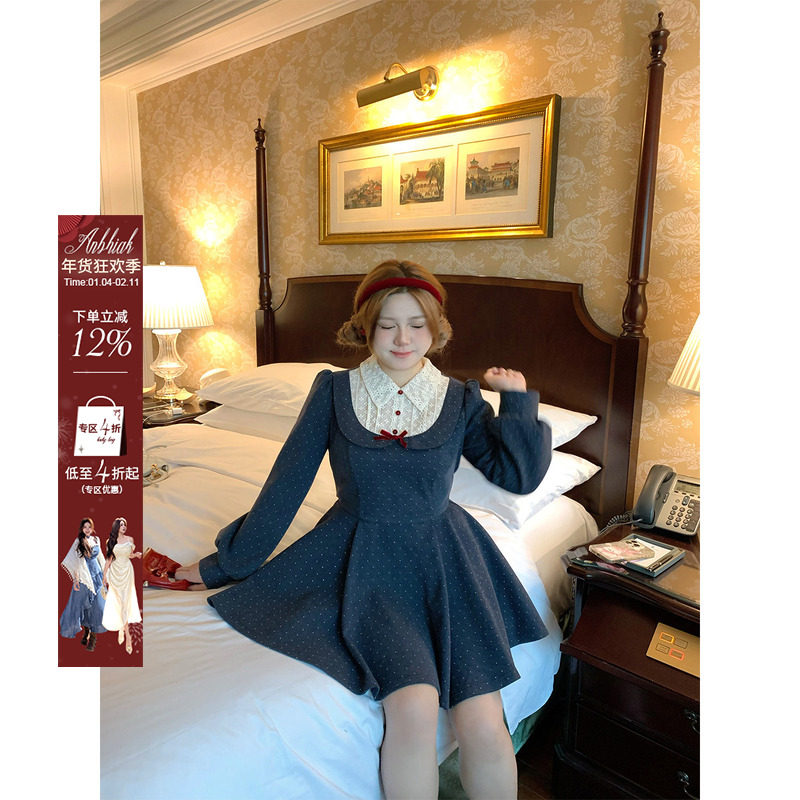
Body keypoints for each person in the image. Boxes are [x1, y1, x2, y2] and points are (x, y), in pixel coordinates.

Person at [176, 260, 552, 799]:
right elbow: (286, 485)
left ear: (436, 329)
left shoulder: (460, 398)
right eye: (387, 325)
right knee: (414, 706)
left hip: (448, 562)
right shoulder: (334, 392)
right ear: (364, 328)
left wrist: (515, 403)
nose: (403, 339)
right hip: (364, 561)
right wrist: (224, 564)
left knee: (483, 716)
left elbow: (517, 476)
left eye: (417, 325)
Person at [59, 517, 107, 651]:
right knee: (85, 607)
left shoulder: (96, 540)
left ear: (92, 528)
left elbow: (101, 558)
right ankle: (86, 632)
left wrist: (105, 576)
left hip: (97, 577)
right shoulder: (78, 542)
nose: (87, 529)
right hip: (84, 578)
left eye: (89, 527)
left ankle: (93, 638)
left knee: (98, 608)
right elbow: (74, 563)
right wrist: (76, 581)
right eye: (85, 527)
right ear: (81, 528)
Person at [101, 517, 142, 655]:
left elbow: (129, 555)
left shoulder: (130, 539)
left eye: (125, 524)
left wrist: (136, 555)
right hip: (115, 573)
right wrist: (104, 576)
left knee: (125, 602)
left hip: (127, 572)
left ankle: (127, 636)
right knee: (119, 602)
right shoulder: (110, 541)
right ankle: (121, 628)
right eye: (121, 524)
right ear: (116, 527)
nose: (124, 526)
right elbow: (108, 559)